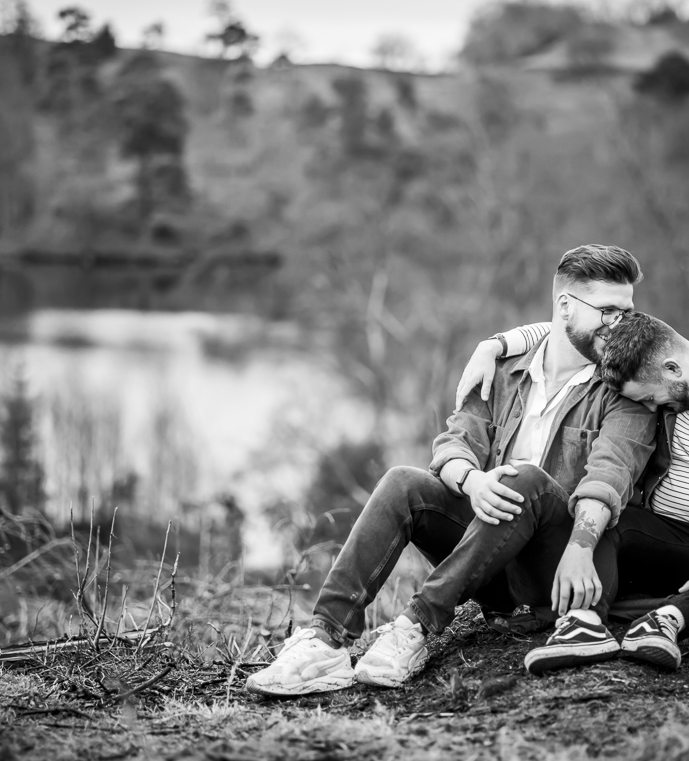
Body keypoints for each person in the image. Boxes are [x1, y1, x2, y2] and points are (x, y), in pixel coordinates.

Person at [246, 244, 656, 697]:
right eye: (608, 311)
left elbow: (610, 475)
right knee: (404, 481)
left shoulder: (628, 389)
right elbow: (454, 443)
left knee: (526, 481)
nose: (622, 326)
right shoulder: (502, 371)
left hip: (562, 572)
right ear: (565, 306)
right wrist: (473, 480)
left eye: (627, 312)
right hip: (491, 566)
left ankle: (414, 628)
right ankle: (326, 640)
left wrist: (579, 542)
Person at [460, 313, 689, 673]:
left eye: (652, 399)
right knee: (611, 516)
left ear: (672, 369)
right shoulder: (656, 355)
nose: (650, 409)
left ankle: (669, 619)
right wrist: (496, 345)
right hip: (674, 541)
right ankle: (585, 624)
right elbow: (563, 324)